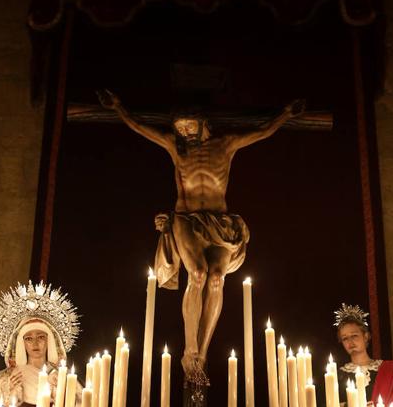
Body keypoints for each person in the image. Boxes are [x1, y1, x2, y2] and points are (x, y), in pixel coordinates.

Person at [99, 89, 306, 378]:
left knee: (218, 279)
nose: (184, 132)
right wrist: (119, 106)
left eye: (188, 125)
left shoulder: (226, 145)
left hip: (220, 222)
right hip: (186, 219)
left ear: (202, 123)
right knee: (197, 274)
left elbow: (262, 131)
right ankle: (190, 348)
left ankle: (203, 353)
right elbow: (140, 128)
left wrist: (285, 113)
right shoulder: (175, 147)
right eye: (179, 127)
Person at [334, 302, 393, 407]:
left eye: (354, 335)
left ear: (366, 336)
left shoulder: (387, 369)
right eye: (345, 338)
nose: (350, 342)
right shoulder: (337, 376)